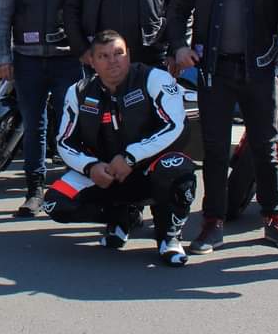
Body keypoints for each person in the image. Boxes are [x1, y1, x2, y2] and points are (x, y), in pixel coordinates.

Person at [166, 0, 278, 253]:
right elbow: (177, 10)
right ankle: (212, 223)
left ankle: (273, 218)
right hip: (215, 72)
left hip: (261, 71)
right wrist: (179, 47)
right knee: (215, 151)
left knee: (266, 148)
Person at [42, 30, 196, 267]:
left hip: (149, 169)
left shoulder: (155, 78)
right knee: (55, 202)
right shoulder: (79, 91)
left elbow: (175, 125)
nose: (113, 61)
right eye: (103, 56)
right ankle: (121, 217)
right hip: (107, 174)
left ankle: (169, 236)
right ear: (91, 61)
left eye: (118, 53)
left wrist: (130, 157)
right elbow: (64, 141)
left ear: (129, 55)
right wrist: (90, 167)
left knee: (177, 168)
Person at [0, 0, 83, 217]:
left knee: (71, 125)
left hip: (67, 60)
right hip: (27, 61)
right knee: (34, 126)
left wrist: (88, 52)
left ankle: (72, 186)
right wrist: (4, 58)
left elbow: (87, 13)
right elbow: (2, 18)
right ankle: (34, 190)